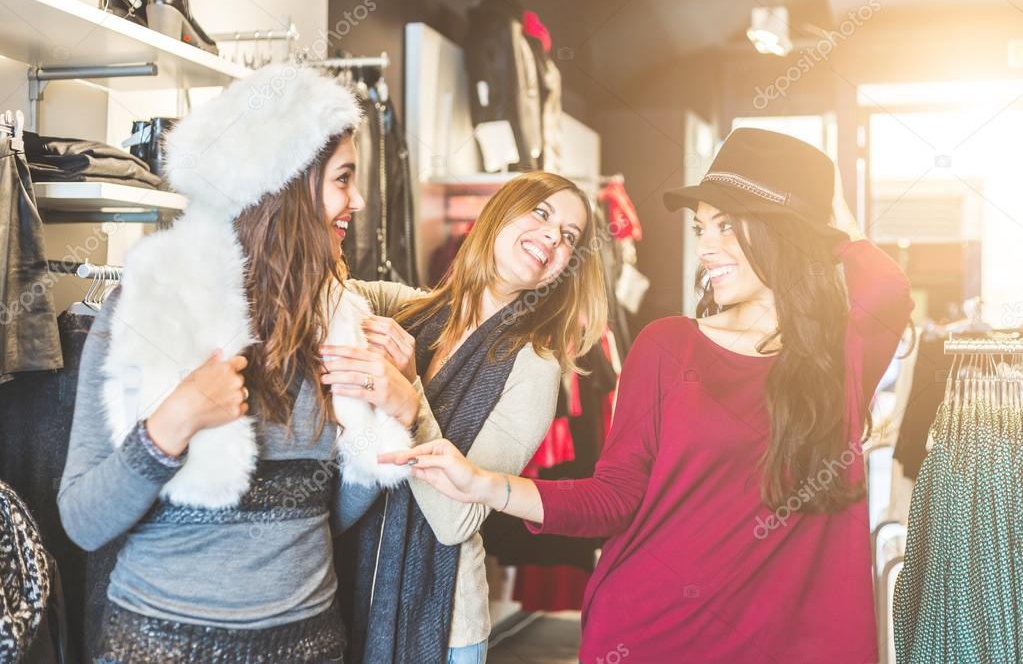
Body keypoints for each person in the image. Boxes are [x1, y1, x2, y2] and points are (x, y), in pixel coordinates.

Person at [381, 129, 915, 663]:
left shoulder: (836, 357)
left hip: (791, 645)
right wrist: (484, 485)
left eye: (727, 226)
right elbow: (614, 497)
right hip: (651, 635)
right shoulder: (668, 346)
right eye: (702, 226)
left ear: (784, 233)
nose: (705, 246)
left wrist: (832, 223)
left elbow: (889, 288)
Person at [58, 65, 421, 662]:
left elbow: (329, 517)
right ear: (281, 185)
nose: (357, 201)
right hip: (161, 646)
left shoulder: (338, 321)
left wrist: (396, 413)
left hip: (310, 645)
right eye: (343, 179)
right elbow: (82, 521)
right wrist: (169, 425)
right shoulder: (147, 312)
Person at [325, 171, 608, 664]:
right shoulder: (409, 310)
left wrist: (411, 399)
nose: (551, 237)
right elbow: (324, 288)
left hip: (443, 626)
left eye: (568, 237)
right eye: (541, 213)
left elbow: (457, 520)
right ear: (500, 213)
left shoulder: (535, 368)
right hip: (351, 592)